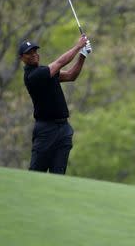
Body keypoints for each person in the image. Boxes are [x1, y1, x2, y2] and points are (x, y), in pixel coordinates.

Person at [18, 35, 91, 174]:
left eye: (35, 51)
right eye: (29, 53)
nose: (34, 55)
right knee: (36, 173)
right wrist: (78, 46)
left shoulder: (46, 72)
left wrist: (83, 55)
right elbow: (60, 63)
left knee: (58, 174)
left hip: (63, 129)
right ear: (22, 58)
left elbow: (71, 75)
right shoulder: (33, 76)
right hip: (46, 130)